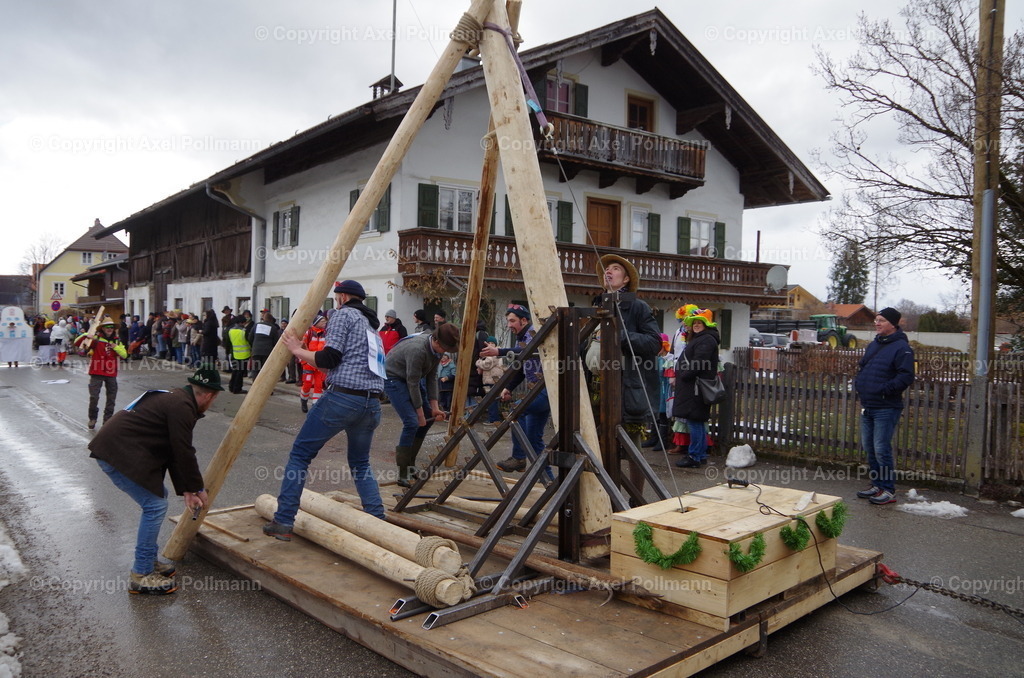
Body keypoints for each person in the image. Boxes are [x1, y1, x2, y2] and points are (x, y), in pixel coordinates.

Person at [262, 280, 388, 540]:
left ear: (342, 297)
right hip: (371, 403)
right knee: (360, 463)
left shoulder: (343, 315)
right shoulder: (372, 327)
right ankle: (378, 522)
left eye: (335, 297)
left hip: (343, 398)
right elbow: (340, 365)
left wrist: (298, 349)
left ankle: (284, 521)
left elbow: (330, 359)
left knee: (300, 455)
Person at [89, 366, 222, 594]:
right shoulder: (182, 406)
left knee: (159, 499)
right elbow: (183, 451)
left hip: (116, 449)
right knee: (155, 505)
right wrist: (197, 487)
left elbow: (173, 450)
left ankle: (149, 562)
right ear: (209, 395)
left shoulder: (176, 398)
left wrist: (188, 490)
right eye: (214, 399)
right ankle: (141, 574)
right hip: (115, 453)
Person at [596, 254, 662, 497]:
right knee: (600, 445)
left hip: (628, 389)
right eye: (607, 269)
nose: (609, 272)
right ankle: (604, 498)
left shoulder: (637, 306)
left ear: (625, 281)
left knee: (632, 449)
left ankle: (635, 499)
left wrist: (618, 336)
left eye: (615, 269)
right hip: (599, 387)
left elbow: (655, 343)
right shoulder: (598, 303)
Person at [384, 323, 461, 486]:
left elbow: (431, 378)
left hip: (411, 378)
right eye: (446, 348)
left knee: (426, 420)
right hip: (393, 378)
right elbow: (412, 383)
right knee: (412, 422)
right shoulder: (417, 350)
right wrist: (419, 414)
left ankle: (411, 466)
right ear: (437, 342)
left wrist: (434, 408)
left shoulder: (437, 351)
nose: (446, 352)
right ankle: (403, 473)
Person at [854, 307, 915, 505]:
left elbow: (906, 376)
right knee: (870, 448)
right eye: (876, 320)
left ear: (893, 324)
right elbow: (864, 366)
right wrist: (860, 385)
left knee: (881, 448)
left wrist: (884, 389)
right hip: (868, 404)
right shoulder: (874, 345)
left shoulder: (902, 348)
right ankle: (877, 484)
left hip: (886, 407)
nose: (876, 323)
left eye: (881, 320)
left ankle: (888, 489)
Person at [479, 305, 548, 473]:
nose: (509, 325)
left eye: (512, 321)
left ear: (524, 320)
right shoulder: (520, 337)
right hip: (536, 391)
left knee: (517, 410)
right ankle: (550, 482)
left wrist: (499, 351)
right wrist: (508, 388)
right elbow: (519, 368)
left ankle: (518, 458)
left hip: (546, 390)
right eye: (508, 321)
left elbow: (525, 351)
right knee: (534, 441)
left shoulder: (533, 332)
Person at [673, 308, 721, 468]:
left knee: (695, 421)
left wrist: (685, 375)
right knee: (697, 421)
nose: (696, 325)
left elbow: (699, 361)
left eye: (700, 323)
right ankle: (699, 455)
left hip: (695, 387)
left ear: (706, 325)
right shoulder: (703, 338)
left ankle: (694, 456)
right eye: (695, 323)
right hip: (695, 386)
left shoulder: (706, 339)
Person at [74, 317, 128, 429]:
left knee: (111, 399)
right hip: (96, 372)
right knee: (94, 397)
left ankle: (107, 421)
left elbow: (124, 355)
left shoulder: (117, 341)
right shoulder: (96, 339)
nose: (109, 329)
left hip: (111, 373)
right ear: (102, 328)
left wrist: (116, 347)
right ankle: (92, 418)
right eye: (107, 327)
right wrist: (85, 336)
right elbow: (77, 342)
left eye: (111, 327)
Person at [299, 312, 328, 413]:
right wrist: (304, 360)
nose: (325, 322)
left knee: (319, 385)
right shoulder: (309, 333)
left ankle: (315, 407)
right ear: (316, 323)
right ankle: (303, 399)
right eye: (322, 321)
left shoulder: (326, 333)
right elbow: (302, 346)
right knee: (307, 383)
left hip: (320, 363)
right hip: (308, 363)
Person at [475, 336, 504, 424]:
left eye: (492, 343)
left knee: (492, 400)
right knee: (491, 400)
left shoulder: (495, 354)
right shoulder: (489, 355)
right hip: (489, 380)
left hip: (493, 380)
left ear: (495, 345)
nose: (490, 345)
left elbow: (487, 364)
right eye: (489, 343)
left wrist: (478, 362)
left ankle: (494, 420)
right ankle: (493, 418)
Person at [247, 310, 280, 378]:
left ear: (264, 319)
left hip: (256, 351)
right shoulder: (273, 327)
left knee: (256, 369)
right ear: (271, 320)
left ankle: (255, 384)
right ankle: (264, 386)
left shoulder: (256, 325)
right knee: (265, 369)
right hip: (267, 351)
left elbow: (250, 338)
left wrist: (253, 346)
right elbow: (276, 341)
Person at [227, 315, 251, 394]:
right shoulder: (244, 331)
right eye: (244, 322)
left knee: (235, 371)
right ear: (241, 323)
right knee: (240, 373)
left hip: (235, 353)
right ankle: (237, 388)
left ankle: (231, 386)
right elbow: (249, 341)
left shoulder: (231, 331)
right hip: (244, 354)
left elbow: (229, 342)